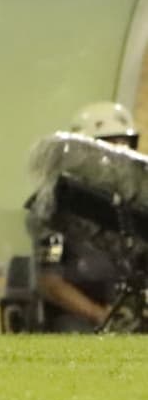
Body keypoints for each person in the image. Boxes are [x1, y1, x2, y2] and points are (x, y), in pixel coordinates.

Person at [27, 101, 140, 332]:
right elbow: (49, 282)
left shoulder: (132, 206)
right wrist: (101, 316)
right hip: (77, 325)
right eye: (110, 147)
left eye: (125, 145)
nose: (121, 157)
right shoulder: (54, 202)